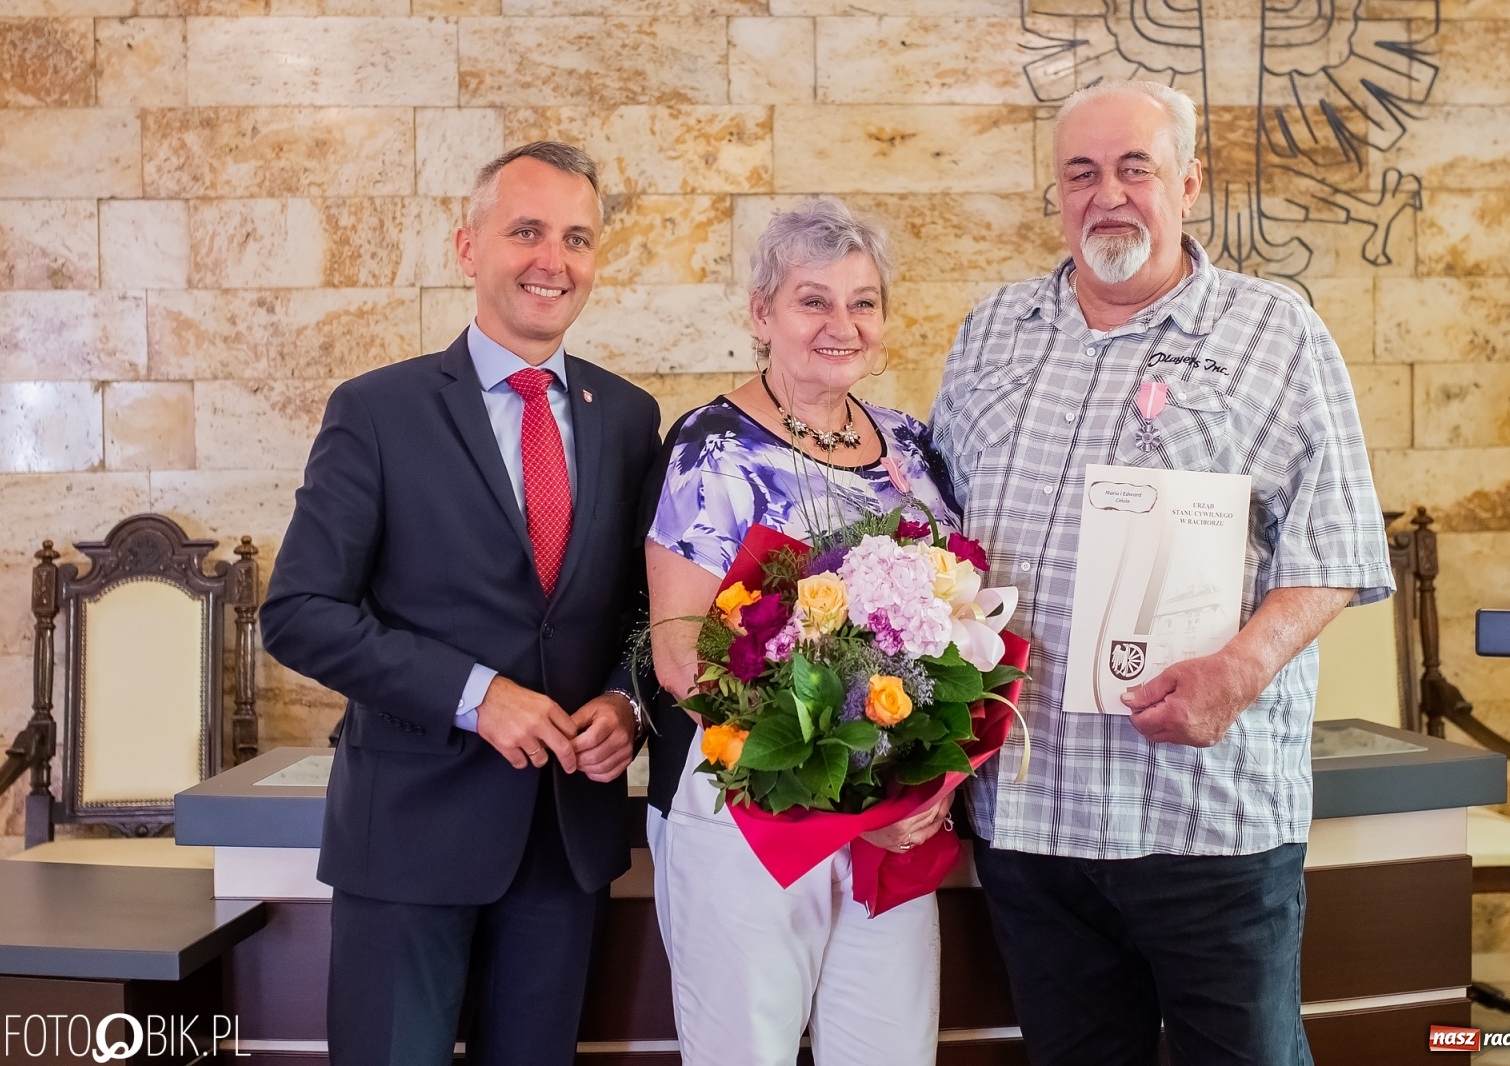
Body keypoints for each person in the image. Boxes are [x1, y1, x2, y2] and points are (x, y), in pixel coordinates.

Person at [930, 81, 1396, 1065]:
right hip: (1028, 813)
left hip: (1204, 817)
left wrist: (1239, 668)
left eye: (1134, 168)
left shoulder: (1277, 334)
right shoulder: (989, 332)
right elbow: (940, 550)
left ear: (1187, 184)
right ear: (1055, 194)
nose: (1108, 193)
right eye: (1081, 173)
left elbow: (1337, 546)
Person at [261, 142, 661, 1066]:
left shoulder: (630, 417)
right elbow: (300, 609)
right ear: (466, 247)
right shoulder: (376, 411)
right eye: (525, 231)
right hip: (408, 833)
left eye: (576, 238)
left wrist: (625, 703)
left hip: (566, 844)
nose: (551, 261)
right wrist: (478, 695)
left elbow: (649, 616)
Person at [643, 199, 957, 1066]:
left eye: (862, 302)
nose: (841, 324)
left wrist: (914, 785)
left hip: (885, 827)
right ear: (761, 313)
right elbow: (680, 659)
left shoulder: (910, 446)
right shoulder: (715, 447)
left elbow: (954, 627)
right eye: (812, 300)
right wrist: (845, 802)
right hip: (749, 810)